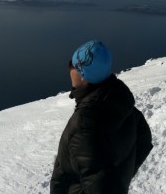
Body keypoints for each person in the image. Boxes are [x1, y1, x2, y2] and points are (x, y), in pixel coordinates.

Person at [51, 40, 153, 194]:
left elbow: (99, 182)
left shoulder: (84, 125)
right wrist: (122, 177)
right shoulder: (120, 102)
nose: (69, 69)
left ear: (83, 75)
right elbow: (143, 140)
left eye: (73, 66)